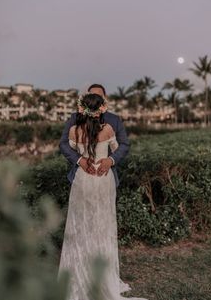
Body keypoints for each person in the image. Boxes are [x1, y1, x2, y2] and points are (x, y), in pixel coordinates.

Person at [58, 85, 148, 300]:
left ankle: (82, 275)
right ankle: (98, 276)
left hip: (85, 180)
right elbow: (65, 146)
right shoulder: (107, 128)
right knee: (99, 225)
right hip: (100, 180)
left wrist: (111, 160)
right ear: (100, 105)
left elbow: (122, 146)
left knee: (83, 224)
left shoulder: (77, 128)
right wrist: (81, 160)